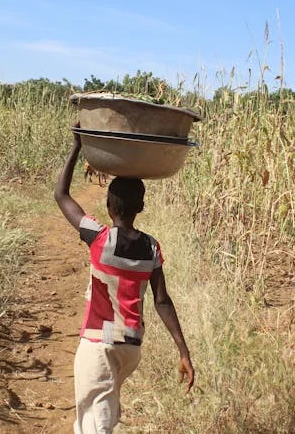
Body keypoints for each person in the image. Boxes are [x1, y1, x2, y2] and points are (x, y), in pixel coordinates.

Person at [54, 127, 195, 434]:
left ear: (109, 207)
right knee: (104, 411)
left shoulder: (100, 238)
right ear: (140, 207)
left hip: (99, 346)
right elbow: (162, 301)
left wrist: (77, 146)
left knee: (94, 425)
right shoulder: (152, 248)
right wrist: (183, 352)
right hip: (130, 347)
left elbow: (61, 195)